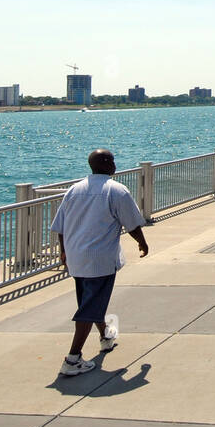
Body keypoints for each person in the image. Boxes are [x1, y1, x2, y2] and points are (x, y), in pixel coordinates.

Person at [50, 148, 149, 376]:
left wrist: (63, 251)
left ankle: (105, 336)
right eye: (112, 160)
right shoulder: (116, 191)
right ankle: (72, 359)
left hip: (77, 258)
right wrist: (142, 243)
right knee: (90, 307)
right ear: (105, 163)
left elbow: (61, 226)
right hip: (100, 260)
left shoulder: (74, 190)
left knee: (89, 302)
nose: (115, 163)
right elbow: (132, 224)